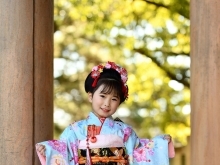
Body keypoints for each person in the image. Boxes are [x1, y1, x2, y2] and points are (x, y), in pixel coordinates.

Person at [36, 61, 175, 165]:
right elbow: (63, 150)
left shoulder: (125, 131)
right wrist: (48, 150)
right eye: (102, 96)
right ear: (91, 96)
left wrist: (159, 143)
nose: (107, 103)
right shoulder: (75, 130)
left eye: (114, 99)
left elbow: (140, 153)